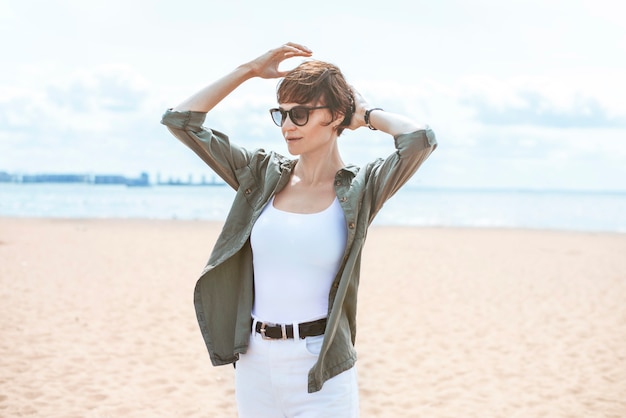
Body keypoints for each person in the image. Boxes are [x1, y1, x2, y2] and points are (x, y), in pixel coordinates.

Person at [160, 42, 437, 417]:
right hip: (254, 364)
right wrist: (249, 69)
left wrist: (367, 113)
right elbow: (181, 120)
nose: (288, 126)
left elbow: (419, 140)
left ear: (337, 115)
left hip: (320, 369)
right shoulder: (261, 175)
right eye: (282, 114)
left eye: (301, 114)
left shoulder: (362, 186)